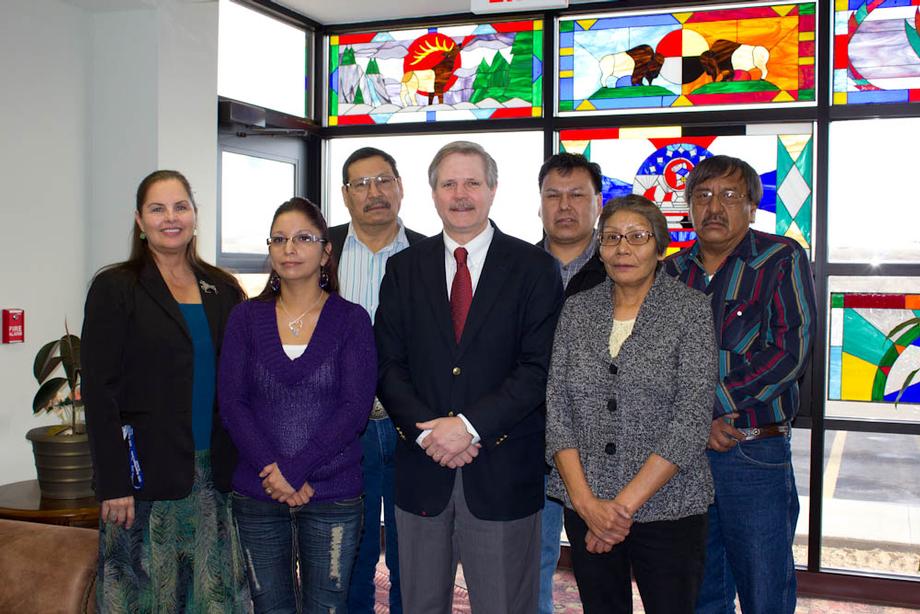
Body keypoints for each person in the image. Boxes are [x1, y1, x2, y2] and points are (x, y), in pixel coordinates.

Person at [375, 140, 564, 613]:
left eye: (472, 183)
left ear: (494, 190)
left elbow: (538, 368)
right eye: (449, 183)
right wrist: (429, 433)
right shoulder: (402, 269)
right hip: (422, 470)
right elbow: (387, 364)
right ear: (433, 193)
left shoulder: (535, 268)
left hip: (502, 472)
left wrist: (468, 427)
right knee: (418, 604)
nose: (461, 194)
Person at [81, 169, 249, 611]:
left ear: (194, 215)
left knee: (211, 598)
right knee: (147, 598)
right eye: (157, 208)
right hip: (142, 482)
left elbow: (239, 380)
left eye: (181, 207)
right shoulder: (116, 287)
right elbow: (99, 392)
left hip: (214, 477)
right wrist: (113, 482)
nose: (170, 218)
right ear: (139, 220)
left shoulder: (225, 289)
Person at [545, 194, 717, 613]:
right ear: (600, 249)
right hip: (586, 502)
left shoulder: (690, 310)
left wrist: (618, 511)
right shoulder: (578, 310)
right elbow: (557, 406)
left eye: (637, 237)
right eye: (612, 237)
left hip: (669, 505)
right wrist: (587, 505)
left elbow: (691, 418)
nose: (623, 248)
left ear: (660, 249)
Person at [663, 155, 816, 614]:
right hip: (682, 457)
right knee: (699, 589)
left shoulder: (781, 258)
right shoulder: (670, 272)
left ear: (752, 206)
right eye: (703, 196)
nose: (715, 207)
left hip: (753, 451)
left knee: (764, 588)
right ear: (687, 206)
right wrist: (698, 420)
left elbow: (790, 350)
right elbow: (655, 362)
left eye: (730, 196)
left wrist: (709, 406)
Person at [218, 197, 376, 613]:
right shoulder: (244, 319)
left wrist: (295, 469)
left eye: (304, 238)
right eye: (280, 239)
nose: (290, 248)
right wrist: (275, 470)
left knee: (328, 606)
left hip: (333, 493)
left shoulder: (351, 320)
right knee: (269, 607)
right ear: (269, 250)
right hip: (258, 490)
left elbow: (355, 408)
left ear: (326, 252)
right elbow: (232, 403)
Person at [330, 147, 425, 614]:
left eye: (384, 180)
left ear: (401, 186)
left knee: (417, 555)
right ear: (345, 196)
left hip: (414, 427)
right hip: (342, 432)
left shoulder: (433, 253)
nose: (375, 193)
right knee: (349, 552)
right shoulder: (318, 250)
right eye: (361, 184)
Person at [535, 151, 603, 613]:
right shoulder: (512, 266)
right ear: (538, 204)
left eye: (577, 195)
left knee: (602, 565)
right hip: (529, 443)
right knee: (531, 562)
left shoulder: (626, 265)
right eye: (553, 195)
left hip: (605, 445)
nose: (564, 206)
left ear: (598, 202)